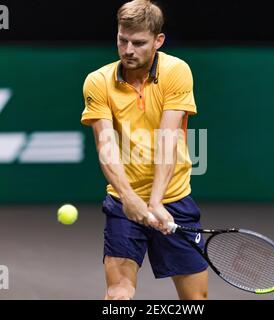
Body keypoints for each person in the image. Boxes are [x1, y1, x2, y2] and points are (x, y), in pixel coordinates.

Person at [81, 0, 208, 300]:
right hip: (123, 203)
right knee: (118, 294)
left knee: (196, 300)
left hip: (174, 200)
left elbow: (168, 137)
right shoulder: (98, 81)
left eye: (138, 43)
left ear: (158, 41)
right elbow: (106, 144)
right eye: (122, 40)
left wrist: (155, 202)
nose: (128, 50)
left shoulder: (177, 71)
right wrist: (129, 198)